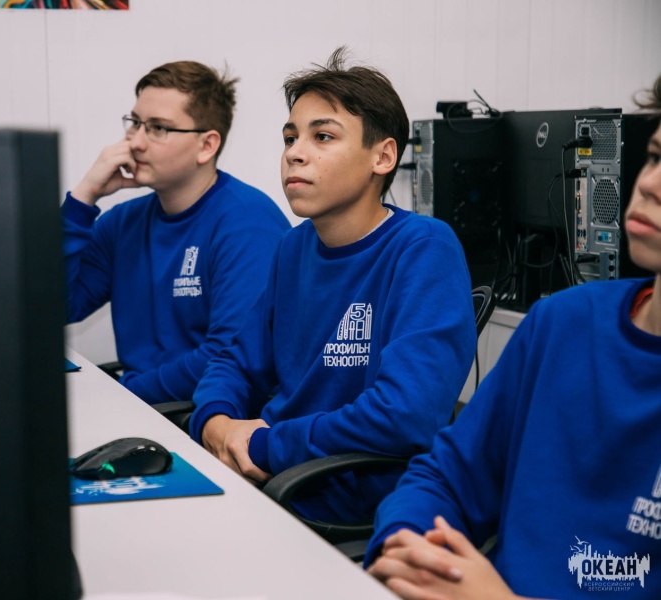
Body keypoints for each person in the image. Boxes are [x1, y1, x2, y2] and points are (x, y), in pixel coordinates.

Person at [366, 75, 661, 599]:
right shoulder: (562, 323)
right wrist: (408, 547)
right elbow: (446, 476)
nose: (650, 184)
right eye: (656, 157)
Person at [188, 47, 477, 523]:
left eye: (322, 136)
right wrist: (216, 421)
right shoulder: (294, 246)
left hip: (339, 502)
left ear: (383, 156)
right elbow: (237, 362)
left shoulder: (424, 248)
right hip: (268, 480)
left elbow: (403, 415)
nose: (294, 152)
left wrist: (263, 444)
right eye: (290, 137)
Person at [63, 60, 291, 405]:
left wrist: (123, 395)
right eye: (135, 123)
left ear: (206, 146)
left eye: (158, 128)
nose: (136, 142)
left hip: (206, 415)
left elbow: (227, 355)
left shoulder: (248, 223)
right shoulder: (123, 222)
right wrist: (83, 198)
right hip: (145, 406)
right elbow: (55, 306)